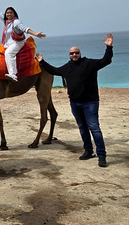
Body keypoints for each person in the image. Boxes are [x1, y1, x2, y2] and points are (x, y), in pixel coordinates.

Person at [36, 33, 114, 168]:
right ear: (69, 55)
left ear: (80, 53)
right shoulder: (67, 68)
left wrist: (109, 48)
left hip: (90, 103)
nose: (74, 55)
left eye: (76, 53)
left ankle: (101, 156)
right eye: (72, 53)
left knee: (94, 128)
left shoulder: (89, 63)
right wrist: (42, 61)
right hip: (75, 104)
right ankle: (88, 151)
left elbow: (106, 61)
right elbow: (54, 70)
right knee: (83, 128)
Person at [0, 0, 46, 82]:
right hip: (8, 44)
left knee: (9, 53)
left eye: (11, 13)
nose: (9, 14)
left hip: (17, 42)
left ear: (14, 14)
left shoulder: (16, 22)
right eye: (7, 13)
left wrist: (36, 34)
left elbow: (25, 29)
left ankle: (13, 74)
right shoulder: (7, 22)